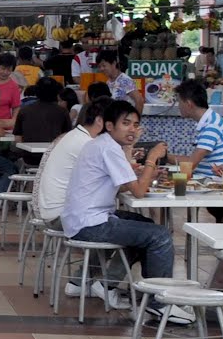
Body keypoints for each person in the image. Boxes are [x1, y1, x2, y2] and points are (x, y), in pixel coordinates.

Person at [61, 100, 187, 322]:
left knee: (147, 228)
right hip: (90, 223)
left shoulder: (104, 144)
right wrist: (151, 159)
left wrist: (149, 174)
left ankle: (139, 292)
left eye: (135, 124)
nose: (132, 129)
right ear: (109, 126)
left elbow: (125, 183)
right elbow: (138, 192)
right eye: (126, 123)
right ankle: (159, 303)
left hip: (84, 217)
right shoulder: (108, 148)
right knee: (160, 236)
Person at [35, 101, 105, 229]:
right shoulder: (87, 143)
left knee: (132, 225)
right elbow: (122, 184)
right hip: (64, 217)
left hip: (51, 212)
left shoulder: (73, 135)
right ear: (100, 120)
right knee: (142, 230)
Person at [168, 79, 223, 180]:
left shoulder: (212, 126)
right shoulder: (211, 119)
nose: (178, 106)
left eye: (179, 102)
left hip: (211, 183)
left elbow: (190, 165)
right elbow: (192, 161)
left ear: (189, 104)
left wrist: (160, 157)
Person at [14, 77, 70, 146]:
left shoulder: (24, 110)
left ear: (36, 91)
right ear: (56, 92)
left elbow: (18, 138)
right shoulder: (63, 111)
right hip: (53, 154)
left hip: (29, 154)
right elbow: (67, 136)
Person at [96, 49, 143, 114]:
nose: (101, 69)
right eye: (99, 66)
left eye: (104, 65)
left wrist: (136, 120)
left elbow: (139, 100)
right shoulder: (108, 82)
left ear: (114, 63)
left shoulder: (125, 80)